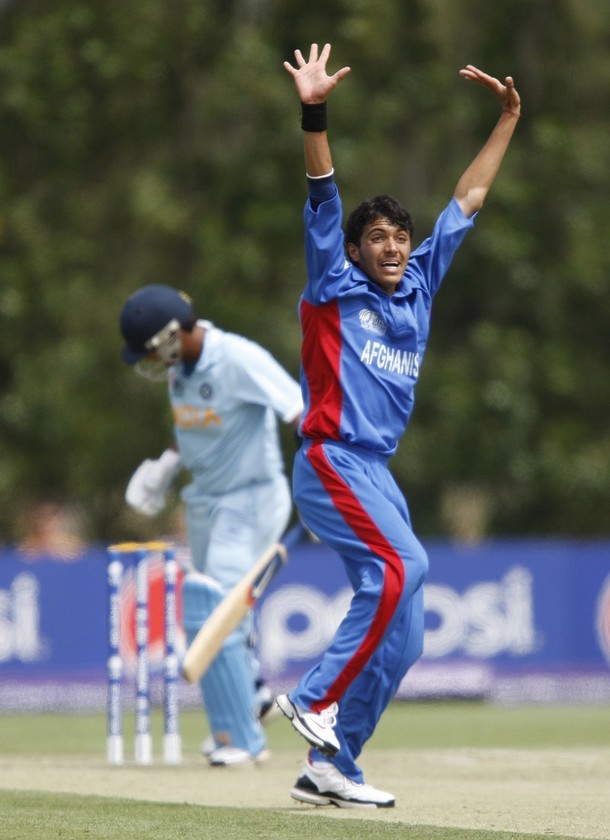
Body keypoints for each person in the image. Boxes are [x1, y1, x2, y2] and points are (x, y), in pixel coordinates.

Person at [276, 43, 521, 807]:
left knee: (407, 631)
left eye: (399, 238)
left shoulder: (418, 284)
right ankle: (313, 698)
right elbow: (323, 189)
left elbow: (469, 199)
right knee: (400, 568)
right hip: (330, 461)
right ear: (354, 250)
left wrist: (508, 119)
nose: (391, 248)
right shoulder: (333, 284)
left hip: (375, 472)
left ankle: (331, 766)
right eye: (376, 239)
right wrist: (314, 111)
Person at [119, 283, 303, 766]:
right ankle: (251, 697)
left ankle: (242, 736)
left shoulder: (238, 358)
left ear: (171, 335)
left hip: (251, 497)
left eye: (150, 349)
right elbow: (196, 429)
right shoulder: (180, 369)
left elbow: (300, 411)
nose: (149, 360)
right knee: (217, 608)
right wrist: (166, 466)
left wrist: (325, 482)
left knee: (212, 603)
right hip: (205, 501)